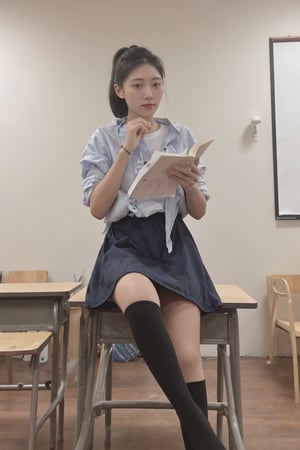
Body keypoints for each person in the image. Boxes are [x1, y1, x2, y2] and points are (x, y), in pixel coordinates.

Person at [80, 45, 225, 450]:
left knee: (189, 357)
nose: (149, 93)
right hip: (126, 246)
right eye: (138, 85)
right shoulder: (105, 137)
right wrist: (126, 148)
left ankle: (199, 440)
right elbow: (97, 208)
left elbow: (197, 212)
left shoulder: (182, 135)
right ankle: (207, 439)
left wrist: (188, 182)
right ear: (120, 90)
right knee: (140, 294)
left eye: (156, 84)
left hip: (174, 247)